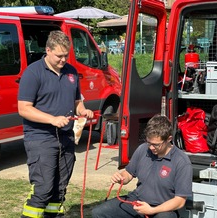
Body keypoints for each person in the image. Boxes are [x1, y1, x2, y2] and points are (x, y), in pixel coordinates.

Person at [18, 30, 93, 218]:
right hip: (41, 138)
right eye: (59, 56)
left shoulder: (71, 72)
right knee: (43, 189)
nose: (63, 60)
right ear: (48, 50)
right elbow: (24, 108)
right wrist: (52, 119)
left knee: (59, 190)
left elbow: (77, 102)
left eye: (66, 55)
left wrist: (83, 111)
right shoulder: (33, 73)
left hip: (66, 138)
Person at [92, 114, 193, 218]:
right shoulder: (143, 149)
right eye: (149, 143)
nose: (151, 147)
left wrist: (152, 210)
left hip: (162, 209)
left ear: (169, 139)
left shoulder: (181, 161)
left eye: (156, 145)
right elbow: (128, 174)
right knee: (99, 212)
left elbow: (180, 201)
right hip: (137, 201)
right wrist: (121, 177)